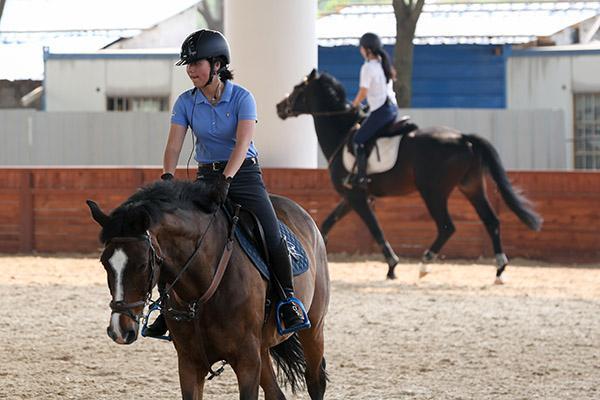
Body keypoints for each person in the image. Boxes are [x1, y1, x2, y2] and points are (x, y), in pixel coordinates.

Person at [145, 29, 308, 337]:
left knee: (270, 232)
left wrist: (227, 180)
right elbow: (173, 146)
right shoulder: (184, 102)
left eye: (197, 63)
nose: (191, 70)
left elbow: (243, 142)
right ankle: (167, 309)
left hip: (244, 175)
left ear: (217, 65)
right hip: (205, 177)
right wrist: (168, 177)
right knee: (175, 236)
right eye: (188, 65)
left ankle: (287, 300)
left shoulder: (243, 98)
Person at [346, 32, 398, 190]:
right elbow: (380, 92)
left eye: (361, 48)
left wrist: (354, 105)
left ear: (366, 49)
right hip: (392, 109)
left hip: (382, 111)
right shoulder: (383, 65)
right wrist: (368, 106)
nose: (360, 50)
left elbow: (363, 92)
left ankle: (361, 178)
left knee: (358, 139)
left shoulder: (367, 67)